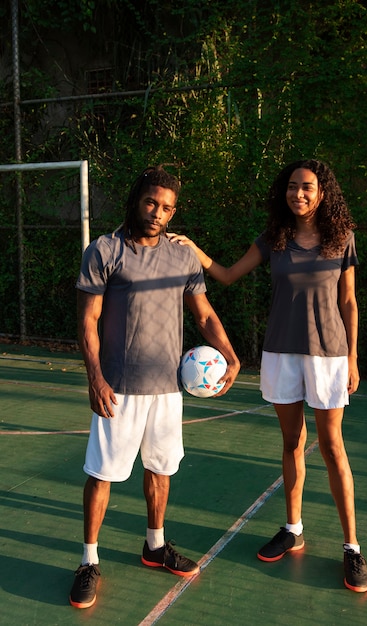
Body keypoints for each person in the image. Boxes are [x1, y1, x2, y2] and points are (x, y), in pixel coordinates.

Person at [169, 159, 367, 593]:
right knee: (291, 443)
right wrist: (191, 248)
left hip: (329, 355)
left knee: (333, 447)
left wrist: (353, 357)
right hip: (281, 352)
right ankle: (293, 528)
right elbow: (225, 275)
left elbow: (349, 302)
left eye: (308, 188)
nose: (299, 194)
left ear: (323, 193)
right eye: (293, 187)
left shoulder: (342, 238)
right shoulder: (274, 239)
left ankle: (352, 548)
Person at [70, 165, 240, 609]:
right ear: (135, 199)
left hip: (168, 388)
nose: (157, 213)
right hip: (118, 387)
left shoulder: (182, 255)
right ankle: (89, 560)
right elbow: (88, 320)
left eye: (166, 208)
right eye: (151, 203)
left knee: (161, 471)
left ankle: (155, 545)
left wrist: (232, 353)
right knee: (103, 474)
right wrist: (95, 376)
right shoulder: (104, 250)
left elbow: (203, 315)